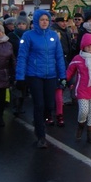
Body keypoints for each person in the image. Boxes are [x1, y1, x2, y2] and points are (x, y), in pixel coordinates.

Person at [16, 9, 66, 148]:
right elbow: (22, 57)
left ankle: (40, 120)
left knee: (50, 105)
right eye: (41, 19)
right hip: (34, 75)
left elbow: (59, 56)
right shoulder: (28, 36)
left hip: (51, 75)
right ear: (37, 21)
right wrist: (20, 77)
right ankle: (41, 136)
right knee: (39, 104)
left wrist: (63, 75)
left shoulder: (54, 36)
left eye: (46, 20)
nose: (44, 22)